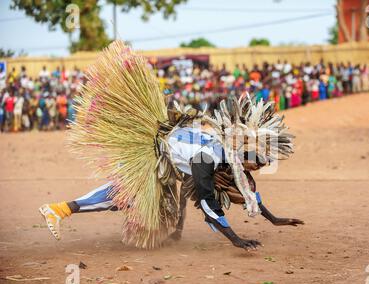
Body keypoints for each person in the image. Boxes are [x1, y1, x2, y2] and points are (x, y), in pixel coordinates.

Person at [38, 41, 302, 251]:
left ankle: (63, 209)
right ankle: (59, 209)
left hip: (162, 148)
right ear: (243, 157)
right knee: (126, 196)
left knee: (133, 199)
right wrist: (236, 239)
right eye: (255, 163)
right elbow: (208, 205)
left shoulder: (226, 152)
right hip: (146, 153)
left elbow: (247, 192)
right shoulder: (208, 159)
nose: (255, 169)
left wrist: (274, 219)